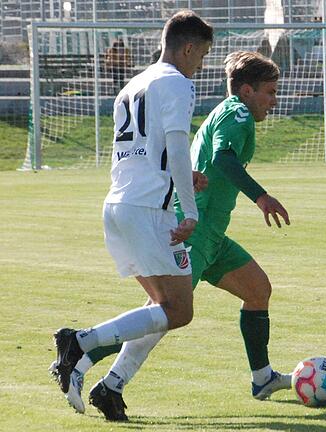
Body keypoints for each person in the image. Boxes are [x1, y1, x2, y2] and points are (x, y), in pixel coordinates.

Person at [55, 50, 293, 420]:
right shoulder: (238, 113)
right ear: (247, 91)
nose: (274, 101)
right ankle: (91, 365)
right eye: (270, 91)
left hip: (214, 236)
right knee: (168, 311)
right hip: (194, 231)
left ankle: (261, 378)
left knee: (257, 290)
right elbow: (225, 157)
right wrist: (261, 197)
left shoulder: (230, 111)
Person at [49, 10, 213, 421]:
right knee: (180, 310)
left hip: (119, 204)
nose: (201, 65)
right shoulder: (177, 82)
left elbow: (140, 150)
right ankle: (80, 342)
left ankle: (105, 383)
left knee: (159, 305)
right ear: (189, 47)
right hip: (147, 211)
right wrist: (188, 209)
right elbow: (176, 145)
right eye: (202, 56)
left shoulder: (133, 84)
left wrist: (180, 177)